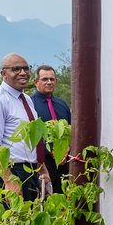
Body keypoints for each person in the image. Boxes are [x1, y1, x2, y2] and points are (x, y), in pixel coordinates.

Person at [0, 54, 49, 202]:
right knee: (14, 224)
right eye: (16, 69)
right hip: (11, 171)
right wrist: (9, 180)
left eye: (26, 68)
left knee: (29, 223)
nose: (23, 73)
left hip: (30, 171)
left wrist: (42, 170)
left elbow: (32, 140)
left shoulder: (26, 99)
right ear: (4, 74)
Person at [31, 64, 71, 194]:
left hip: (64, 161)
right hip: (42, 161)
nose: (49, 82)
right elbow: (31, 133)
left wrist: (66, 149)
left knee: (63, 199)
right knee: (43, 199)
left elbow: (70, 129)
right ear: (36, 82)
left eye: (52, 79)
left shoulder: (62, 104)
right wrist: (51, 150)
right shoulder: (30, 104)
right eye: (45, 79)